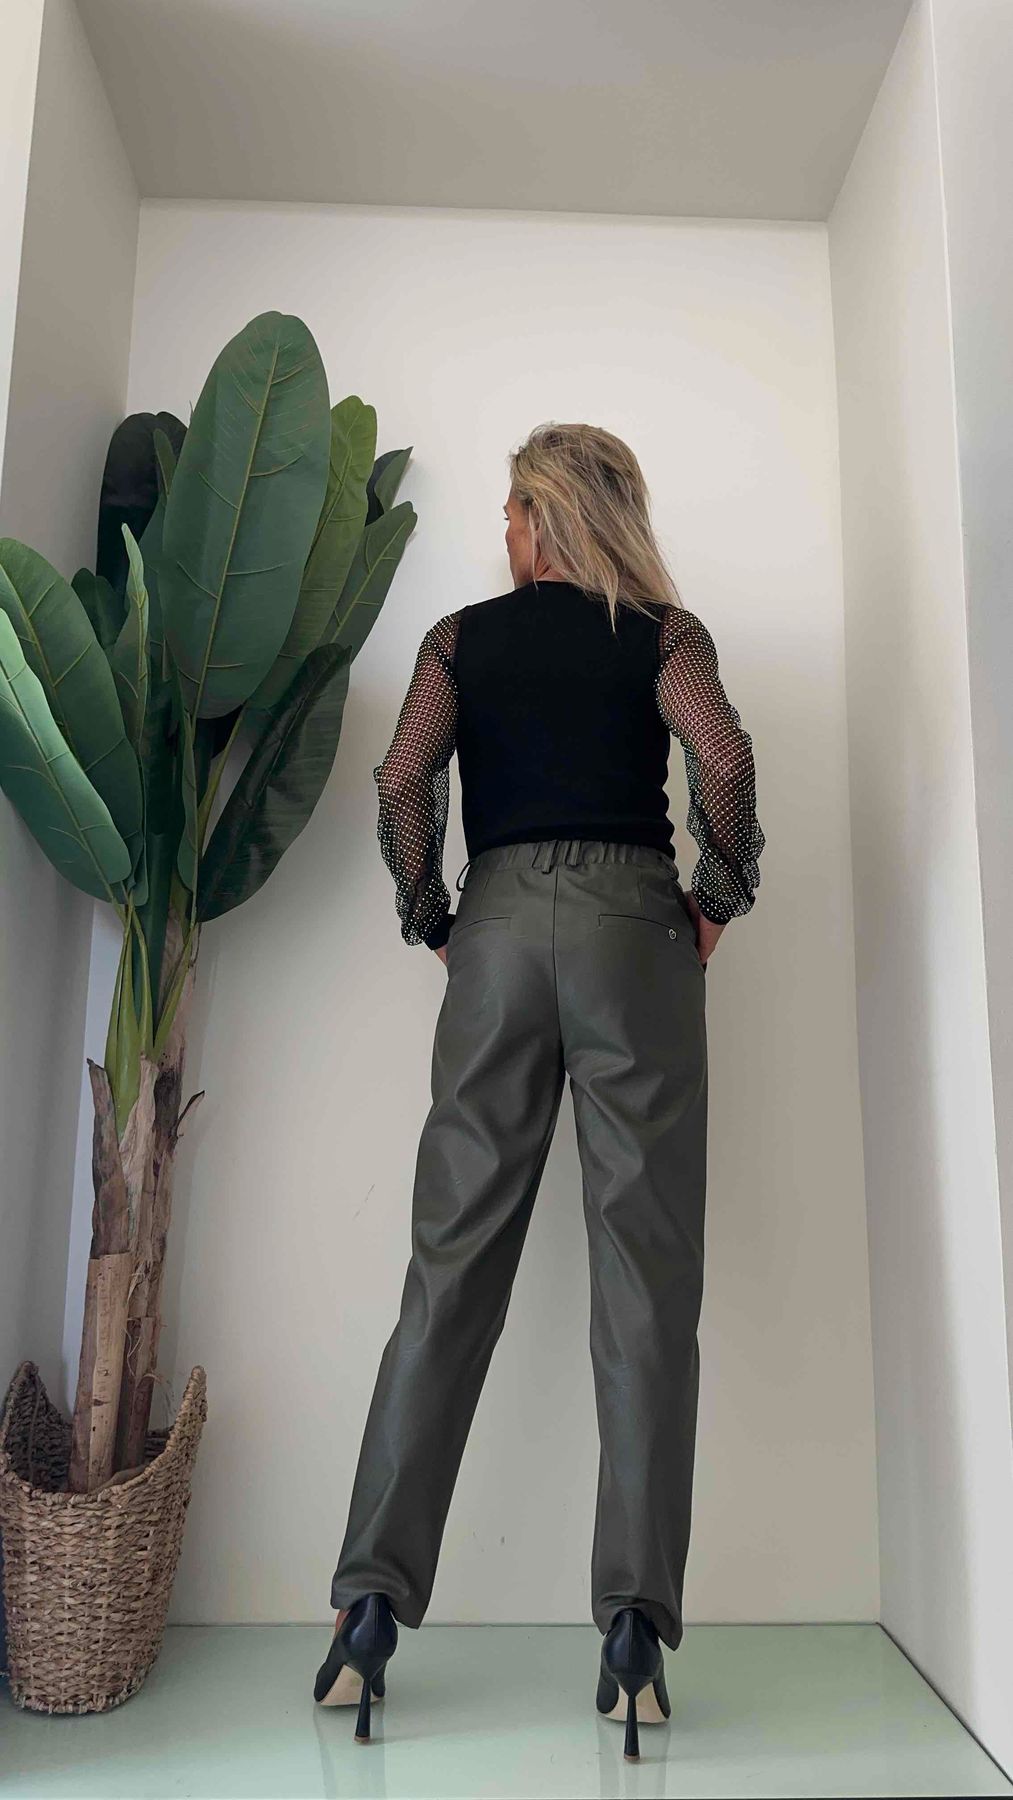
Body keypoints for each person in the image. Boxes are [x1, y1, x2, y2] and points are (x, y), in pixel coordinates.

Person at [313, 421, 765, 1759]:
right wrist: (716, 896)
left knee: (448, 1270)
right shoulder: (666, 637)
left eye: (510, 514)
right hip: (636, 937)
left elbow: (404, 776)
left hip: (500, 935)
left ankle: (367, 1613)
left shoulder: (459, 641)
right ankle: (633, 1634)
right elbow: (723, 761)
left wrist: (433, 914)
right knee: (647, 1283)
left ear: (542, 518)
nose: (499, 535)